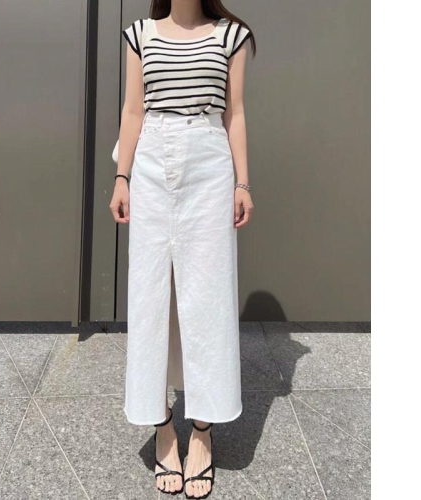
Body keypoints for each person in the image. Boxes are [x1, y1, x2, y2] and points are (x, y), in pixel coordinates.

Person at [109, 0, 255, 498]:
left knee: (208, 297)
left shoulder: (230, 36)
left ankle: (203, 431)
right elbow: (133, 110)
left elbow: (235, 113)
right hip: (151, 162)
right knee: (150, 296)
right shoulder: (140, 34)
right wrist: (122, 177)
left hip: (209, 165)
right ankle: (162, 427)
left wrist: (243, 183)